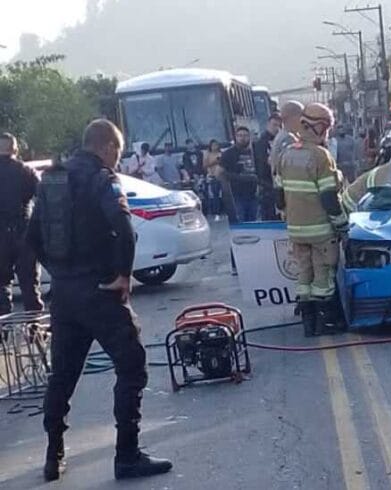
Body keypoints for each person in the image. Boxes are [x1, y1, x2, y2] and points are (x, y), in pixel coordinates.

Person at [27, 119, 172, 481]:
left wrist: (59, 271)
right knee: (132, 366)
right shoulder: (103, 180)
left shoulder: (52, 180)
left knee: (62, 375)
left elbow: (32, 238)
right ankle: (127, 455)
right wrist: (123, 274)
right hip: (100, 291)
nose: (117, 159)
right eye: (117, 152)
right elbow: (123, 228)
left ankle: (53, 454)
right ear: (107, 146)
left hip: (64, 294)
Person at [275, 103, 348, 337]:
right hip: (319, 230)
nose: (327, 133)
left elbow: (278, 197)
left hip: (296, 229)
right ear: (318, 128)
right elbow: (329, 198)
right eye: (326, 128)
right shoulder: (321, 156)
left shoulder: (286, 155)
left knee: (304, 274)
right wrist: (342, 224)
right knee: (324, 275)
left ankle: (308, 322)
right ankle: (326, 322)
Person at [0, 133, 43, 315]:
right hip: (24, 231)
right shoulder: (26, 171)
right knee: (29, 284)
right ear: (15, 149)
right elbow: (42, 198)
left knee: (1, 286)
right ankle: (35, 330)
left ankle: (3, 332)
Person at [220, 127, 258, 222]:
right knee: (241, 221)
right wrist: (239, 178)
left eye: (245, 135)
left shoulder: (255, 152)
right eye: (240, 135)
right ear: (236, 137)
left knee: (253, 221)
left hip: (253, 193)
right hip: (236, 194)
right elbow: (221, 173)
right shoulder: (228, 154)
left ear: (249, 137)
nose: (242, 138)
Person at [254, 113, 282, 220]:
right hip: (266, 183)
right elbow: (262, 162)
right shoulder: (262, 142)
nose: (276, 128)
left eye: (279, 126)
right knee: (269, 215)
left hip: (277, 182)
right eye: (274, 125)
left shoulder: (280, 140)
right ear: (267, 124)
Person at [203, 139, 224, 220]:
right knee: (215, 195)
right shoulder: (208, 154)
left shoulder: (221, 153)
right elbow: (205, 166)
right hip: (213, 176)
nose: (215, 147)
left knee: (225, 194)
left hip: (222, 176)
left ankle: (225, 211)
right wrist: (215, 161)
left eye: (216, 145)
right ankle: (216, 213)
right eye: (213, 145)